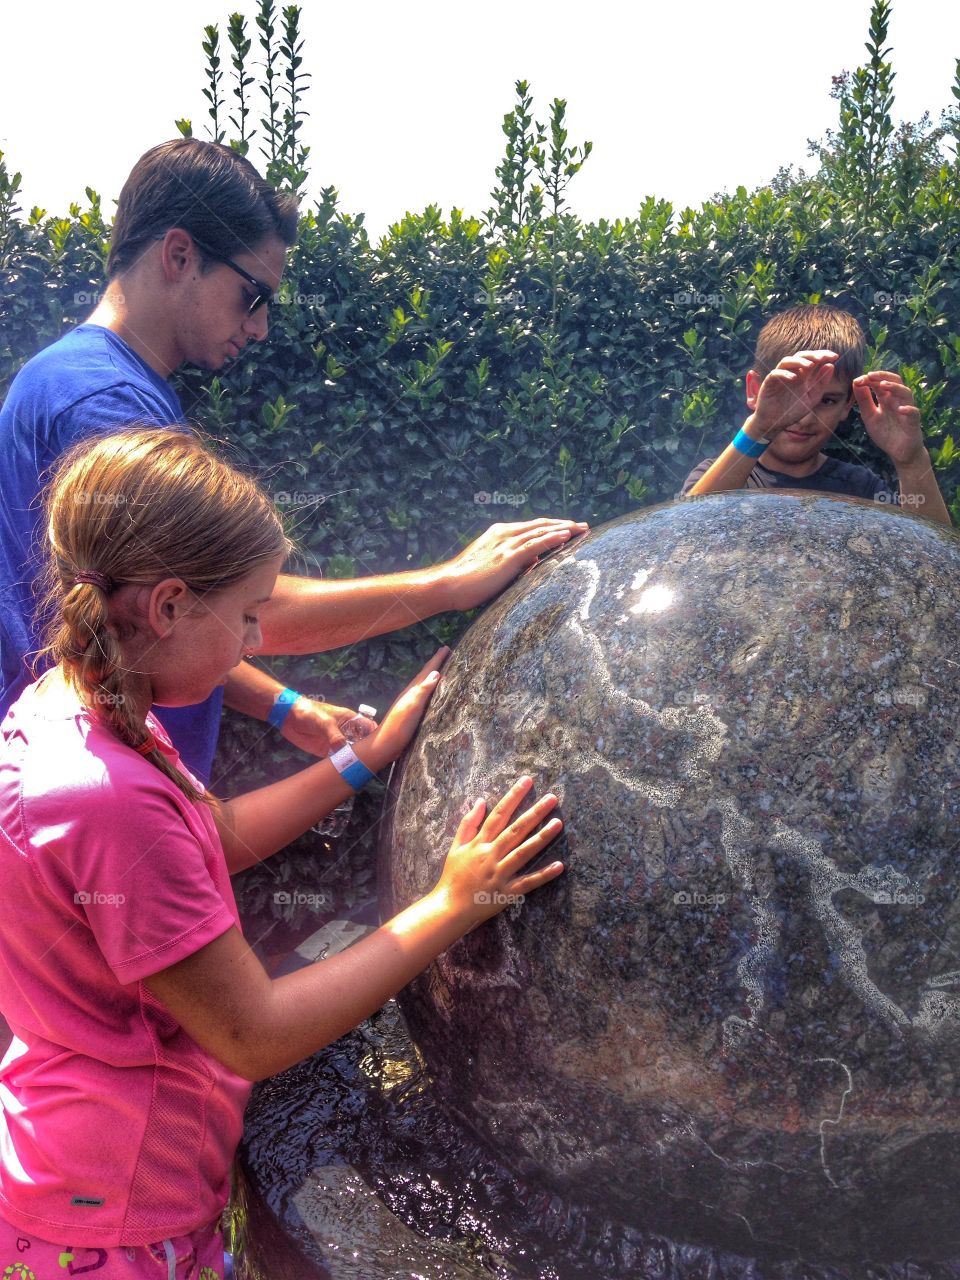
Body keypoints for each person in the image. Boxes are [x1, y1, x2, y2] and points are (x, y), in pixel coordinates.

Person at [0, 426, 566, 1279]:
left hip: (87, 1174)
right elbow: (253, 1034)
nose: (257, 638)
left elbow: (199, 847)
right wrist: (455, 903)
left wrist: (355, 762)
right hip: (114, 1228)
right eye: (249, 614)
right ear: (169, 607)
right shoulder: (105, 796)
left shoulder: (78, 708)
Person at [0, 138, 587, 782]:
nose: (260, 328)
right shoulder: (109, 407)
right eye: (254, 295)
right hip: (115, 800)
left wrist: (286, 707)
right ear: (178, 255)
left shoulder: (67, 378)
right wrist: (449, 584)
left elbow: (156, 623)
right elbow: (240, 609)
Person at [679, 303, 953, 527]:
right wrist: (759, 429)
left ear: (848, 404)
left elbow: (932, 563)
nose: (805, 416)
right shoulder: (721, 476)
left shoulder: (861, 488)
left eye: (828, 400)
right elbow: (685, 530)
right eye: (789, 395)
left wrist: (912, 461)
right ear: (754, 390)